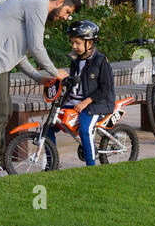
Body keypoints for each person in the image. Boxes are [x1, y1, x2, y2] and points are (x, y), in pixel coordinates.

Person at [0, 0, 79, 176]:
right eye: (67, 12)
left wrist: (37, 78)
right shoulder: (37, 5)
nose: (66, 17)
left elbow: (18, 54)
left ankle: (1, 163)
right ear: (60, 2)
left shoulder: (31, 5)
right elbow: (36, 47)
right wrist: (55, 72)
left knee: (6, 109)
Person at [46, 20, 115, 166]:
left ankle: (91, 167)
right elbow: (75, 82)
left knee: (84, 130)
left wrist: (87, 101)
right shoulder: (76, 61)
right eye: (72, 43)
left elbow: (105, 88)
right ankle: (51, 163)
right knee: (48, 127)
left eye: (77, 43)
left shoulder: (101, 61)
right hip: (73, 103)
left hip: (95, 105)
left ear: (89, 43)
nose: (74, 46)